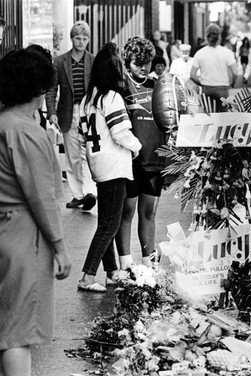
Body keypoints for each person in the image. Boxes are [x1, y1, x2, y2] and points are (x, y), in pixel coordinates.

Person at [0, 47, 71, 375]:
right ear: (41, 90)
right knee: (18, 331)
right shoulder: (28, 132)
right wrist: (59, 247)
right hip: (24, 237)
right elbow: (41, 197)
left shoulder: (4, 123)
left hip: (4, 231)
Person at [77, 42, 142, 292]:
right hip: (114, 165)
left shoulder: (86, 101)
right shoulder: (111, 97)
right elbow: (120, 132)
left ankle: (112, 272)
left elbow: (82, 137)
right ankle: (87, 276)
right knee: (109, 224)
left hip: (97, 165)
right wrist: (137, 147)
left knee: (108, 220)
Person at [116, 36, 164, 270]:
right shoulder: (121, 86)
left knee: (149, 212)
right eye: (138, 62)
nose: (144, 67)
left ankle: (149, 263)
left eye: (147, 61)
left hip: (155, 159)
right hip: (129, 160)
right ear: (127, 62)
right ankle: (125, 264)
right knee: (127, 212)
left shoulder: (158, 86)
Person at [46, 21, 97, 211]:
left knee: (91, 152)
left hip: (89, 112)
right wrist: (51, 113)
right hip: (67, 113)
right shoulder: (60, 61)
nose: (81, 42)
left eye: (85, 38)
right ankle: (78, 195)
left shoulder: (93, 61)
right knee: (72, 156)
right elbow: (51, 90)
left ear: (88, 40)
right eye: (78, 38)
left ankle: (91, 191)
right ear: (72, 38)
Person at [190, 23, 238, 112]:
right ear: (219, 36)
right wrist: (232, 83)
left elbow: (192, 75)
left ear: (206, 36)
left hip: (206, 89)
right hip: (222, 89)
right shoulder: (227, 53)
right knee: (222, 117)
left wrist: (201, 83)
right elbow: (235, 72)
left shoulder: (200, 53)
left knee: (208, 116)